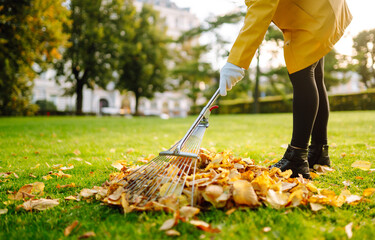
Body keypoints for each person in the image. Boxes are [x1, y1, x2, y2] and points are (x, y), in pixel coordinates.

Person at [219, 0, 352, 179]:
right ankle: (319, 152)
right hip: (323, 8)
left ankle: (297, 157)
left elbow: (260, 10)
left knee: (302, 75)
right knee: (315, 78)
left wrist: (235, 62)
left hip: (314, 13)